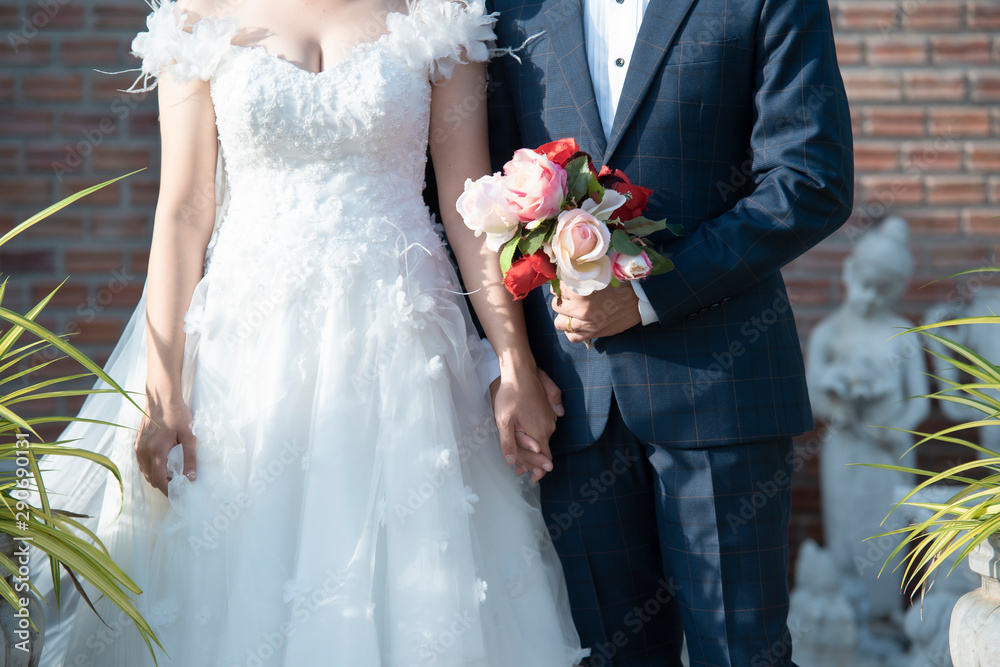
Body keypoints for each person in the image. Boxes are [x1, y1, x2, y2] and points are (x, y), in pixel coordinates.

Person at [31, 0, 590, 664]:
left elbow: (466, 205)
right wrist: (162, 393)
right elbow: (182, 211)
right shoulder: (197, 16)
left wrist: (514, 360)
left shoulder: (436, 13)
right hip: (246, 357)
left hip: (406, 350)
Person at [485, 0, 854, 664]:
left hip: (722, 393)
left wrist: (651, 294)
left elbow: (810, 179)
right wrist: (506, 361)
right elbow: (474, 193)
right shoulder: (508, 8)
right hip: (571, 410)